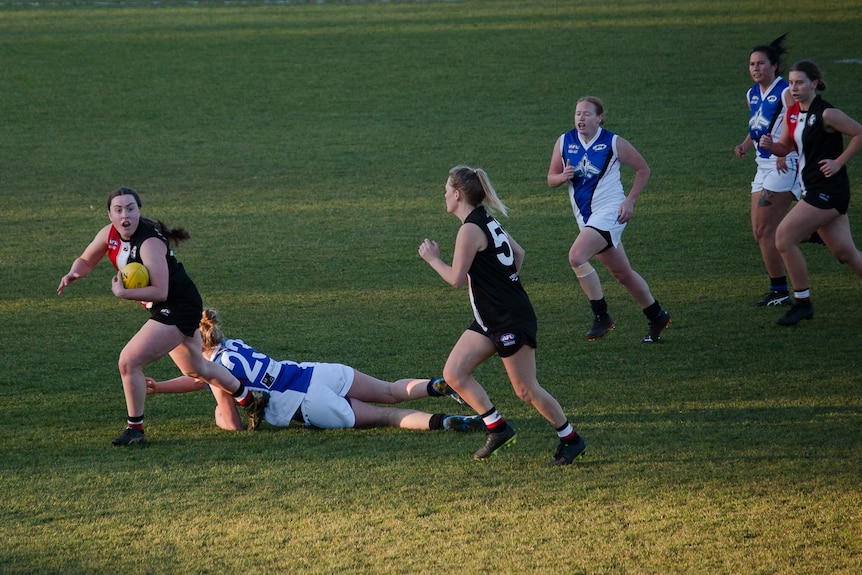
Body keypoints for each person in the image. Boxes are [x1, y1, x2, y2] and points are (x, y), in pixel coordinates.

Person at [57, 187, 268, 446]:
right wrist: (73, 273)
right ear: (109, 214)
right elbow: (86, 260)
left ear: (139, 210)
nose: (125, 215)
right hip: (171, 304)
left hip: (178, 306)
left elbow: (160, 290)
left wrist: (123, 294)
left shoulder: (149, 243)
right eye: (118, 210)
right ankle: (250, 400)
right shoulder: (109, 234)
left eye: (131, 208)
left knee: (128, 361)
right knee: (196, 369)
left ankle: (135, 430)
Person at [418, 165, 586, 466]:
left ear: (457, 194)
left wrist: (433, 259)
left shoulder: (469, 229)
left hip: (508, 319)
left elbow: (456, 278)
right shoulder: (484, 220)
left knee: (525, 389)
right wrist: (502, 286)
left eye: (446, 189)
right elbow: (518, 253)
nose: (443, 194)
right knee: (454, 373)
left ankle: (571, 440)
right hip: (490, 318)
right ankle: (498, 429)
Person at [146, 308, 482, 433]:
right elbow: (197, 378)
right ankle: (438, 384)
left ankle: (450, 423)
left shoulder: (216, 373)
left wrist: (221, 419)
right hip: (318, 373)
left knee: (389, 417)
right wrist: (161, 387)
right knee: (392, 390)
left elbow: (232, 422)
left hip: (307, 405)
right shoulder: (230, 345)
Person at [547, 96, 671, 343]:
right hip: (587, 217)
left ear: (599, 117)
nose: (581, 118)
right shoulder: (564, 141)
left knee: (576, 256)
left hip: (611, 212)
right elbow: (551, 177)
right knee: (622, 273)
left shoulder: (613, 142)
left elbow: (643, 169)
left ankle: (601, 315)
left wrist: (630, 201)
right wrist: (562, 177)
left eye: (587, 114)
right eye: (577, 113)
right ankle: (657, 315)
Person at [759, 60, 862, 325]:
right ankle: (803, 301)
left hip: (828, 190)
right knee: (845, 253)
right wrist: (771, 146)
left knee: (783, 236)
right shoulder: (793, 113)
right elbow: (786, 147)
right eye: (791, 82)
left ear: (814, 84)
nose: (793, 87)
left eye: (800, 82)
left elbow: (859, 133)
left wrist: (839, 162)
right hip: (813, 190)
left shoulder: (827, 113)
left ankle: (803, 303)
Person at [733, 34, 802, 307]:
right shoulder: (751, 94)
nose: (755, 68)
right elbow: (759, 126)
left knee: (765, 228)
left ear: (774, 66)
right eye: (752, 64)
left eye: (761, 63)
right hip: (762, 165)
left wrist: (786, 150)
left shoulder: (786, 91)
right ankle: (780, 287)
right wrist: (746, 143)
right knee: (760, 232)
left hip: (783, 162)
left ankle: (781, 290)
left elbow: (797, 123)